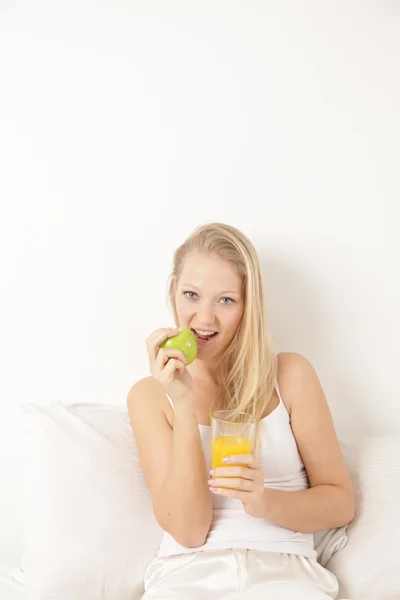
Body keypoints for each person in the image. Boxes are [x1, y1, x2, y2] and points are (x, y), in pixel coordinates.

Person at [127, 222, 354, 600]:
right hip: (187, 575)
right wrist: (183, 405)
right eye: (191, 294)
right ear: (173, 291)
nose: (204, 319)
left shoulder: (290, 375)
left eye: (226, 300)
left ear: (249, 304)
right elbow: (188, 531)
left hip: (287, 574)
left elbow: (340, 504)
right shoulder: (149, 397)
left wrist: (264, 502)